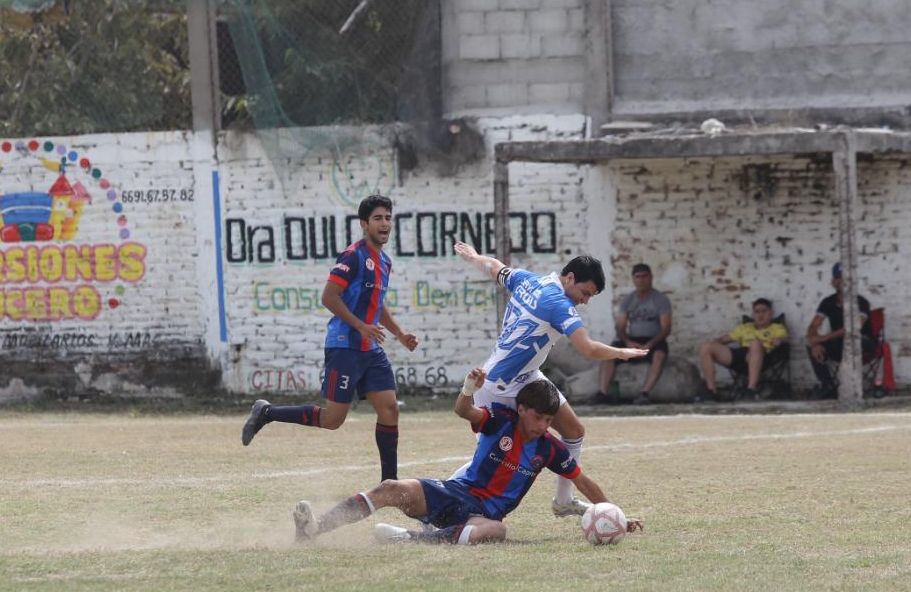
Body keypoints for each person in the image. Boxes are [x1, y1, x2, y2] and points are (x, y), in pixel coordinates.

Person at [292, 369, 643, 545]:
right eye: (538, 417)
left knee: (498, 530)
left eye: (550, 420)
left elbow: (582, 480)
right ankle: (314, 529)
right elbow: (463, 411)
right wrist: (468, 390)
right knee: (389, 488)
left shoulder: (549, 448)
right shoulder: (499, 422)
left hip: (481, 515)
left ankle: (411, 539)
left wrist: (617, 515)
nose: (543, 425)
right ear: (521, 409)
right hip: (453, 493)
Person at [453, 240, 645, 517]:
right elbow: (588, 348)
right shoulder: (558, 303)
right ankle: (445, 493)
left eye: (591, 296)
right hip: (498, 385)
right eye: (585, 292)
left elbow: (496, 267)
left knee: (574, 432)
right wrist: (624, 352)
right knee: (490, 459)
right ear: (569, 278)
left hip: (527, 376)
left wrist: (473, 257)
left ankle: (563, 501)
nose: (585, 300)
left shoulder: (528, 280)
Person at [241, 194, 418, 481]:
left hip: (369, 348)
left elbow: (377, 301)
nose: (384, 223)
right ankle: (267, 413)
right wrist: (361, 326)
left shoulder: (384, 262)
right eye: (378, 218)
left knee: (389, 409)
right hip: (345, 346)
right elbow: (329, 297)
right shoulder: (353, 256)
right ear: (364, 224)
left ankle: (390, 483)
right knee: (333, 420)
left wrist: (399, 333)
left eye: (388, 218)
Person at [593, 263, 672, 406]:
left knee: (660, 355)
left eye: (644, 276)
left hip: (653, 341)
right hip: (632, 340)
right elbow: (621, 327)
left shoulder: (660, 299)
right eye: (638, 277)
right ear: (633, 279)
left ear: (651, 278)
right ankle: (602, 393)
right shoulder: (628, 300)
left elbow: (666, 329)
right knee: (608, 352)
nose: (641, 280)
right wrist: (628, 342)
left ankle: (644, 393)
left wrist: (650, 344)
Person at [695, 297, 788, 401]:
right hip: (741, 355)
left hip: (762, 356)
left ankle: (751, 389)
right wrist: (714, 344)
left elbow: (783, 339)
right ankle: (712, 391)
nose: (760, 315)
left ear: (771, 313)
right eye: (757, 312)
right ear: (753, 315)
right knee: (705, 347)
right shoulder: (746, 327)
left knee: (755, 343)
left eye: (764, 311)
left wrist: (779, 341)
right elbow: (724, 339)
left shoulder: (776, 327)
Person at [808, 262, 876, 399]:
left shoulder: (861, 301)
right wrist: (815, 343)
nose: (842, 281)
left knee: (849, 339)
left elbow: (855, 327)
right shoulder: (828, 302)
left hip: (863, 342)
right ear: (833, 281)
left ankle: (852, 390)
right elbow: (813, 326)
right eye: (839, 277)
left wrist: (824, 338)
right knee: (811, 346)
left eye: (846, 278)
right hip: (839, 343)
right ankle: (828, 385)